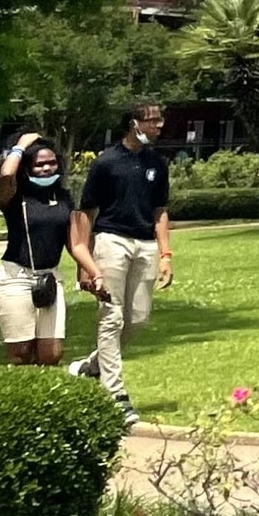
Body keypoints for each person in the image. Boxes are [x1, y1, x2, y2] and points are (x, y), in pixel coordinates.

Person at [67, 100, 172, 421]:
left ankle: (92, 367)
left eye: (159, 120)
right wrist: (84, 265)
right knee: (112, 319)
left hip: (145, 245)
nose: (158, 126)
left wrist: (166, 253)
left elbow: (160, 211)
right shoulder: (106, 163)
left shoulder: (157, 163)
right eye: (152, 121)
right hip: (111, 242)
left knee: (137, 319)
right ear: (133, 123)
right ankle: (116, 394)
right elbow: (86, 213)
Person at [0, 132, 74, 367]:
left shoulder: (63, 197)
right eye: (39, 164)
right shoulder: (15, 196)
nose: (47, 168)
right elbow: (7, 174)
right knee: (22, 353)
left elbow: (74, 240)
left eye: (51, 163)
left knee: (51, 354)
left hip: (50, 278)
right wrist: (21, 145)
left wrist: (89, 270)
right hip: (16, 277)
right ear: (27, 168)